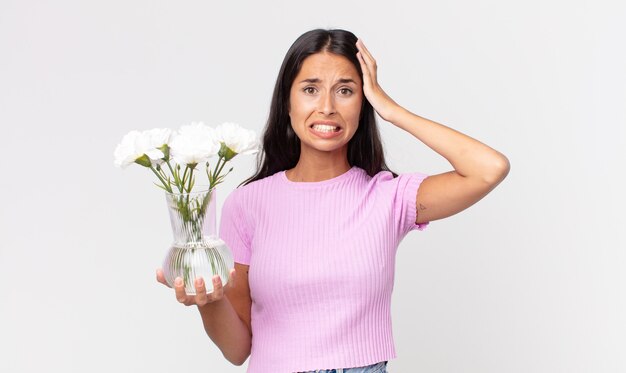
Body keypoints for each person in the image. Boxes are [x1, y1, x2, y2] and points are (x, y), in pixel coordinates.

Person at [157, 28, 510, 373]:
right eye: (310, 89)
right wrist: (208, 301)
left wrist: (391, 109)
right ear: (288, 101)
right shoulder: (247, 204)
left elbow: (488, 169)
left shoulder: (389, 197)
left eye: (345, 90)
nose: (326, 107)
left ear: (364, 102)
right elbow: (237, 351)